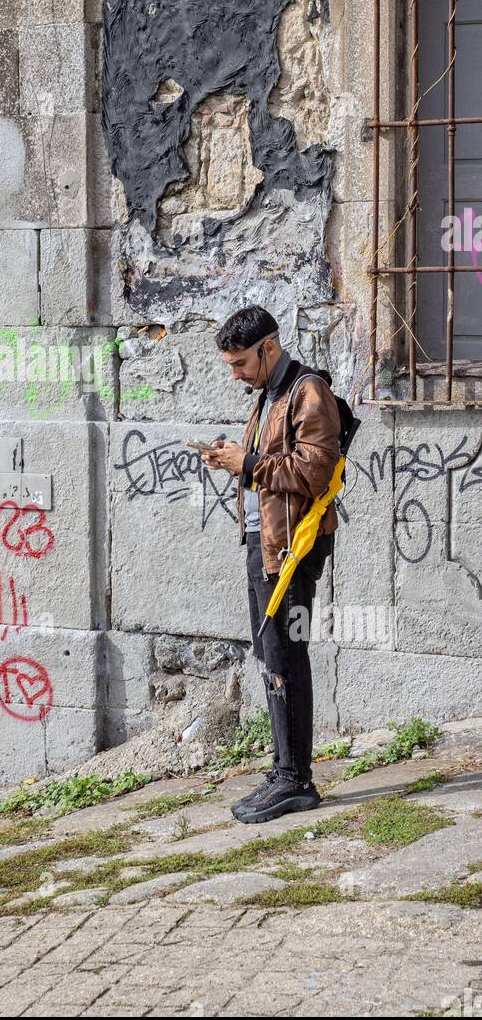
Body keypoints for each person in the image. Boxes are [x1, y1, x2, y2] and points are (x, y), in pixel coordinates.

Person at [202, 305, 342, 822]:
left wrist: (249, 462)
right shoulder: (269, 396)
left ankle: (296, 780)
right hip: (265, 544)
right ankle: (285, 767)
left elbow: (315, 472)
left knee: (286, 655)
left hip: (292, 550)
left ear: (270, 346)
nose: (236, 374)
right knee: (271, 655)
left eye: (240, 363)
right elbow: (268, 475)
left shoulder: (307, 392)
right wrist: (235, 461)